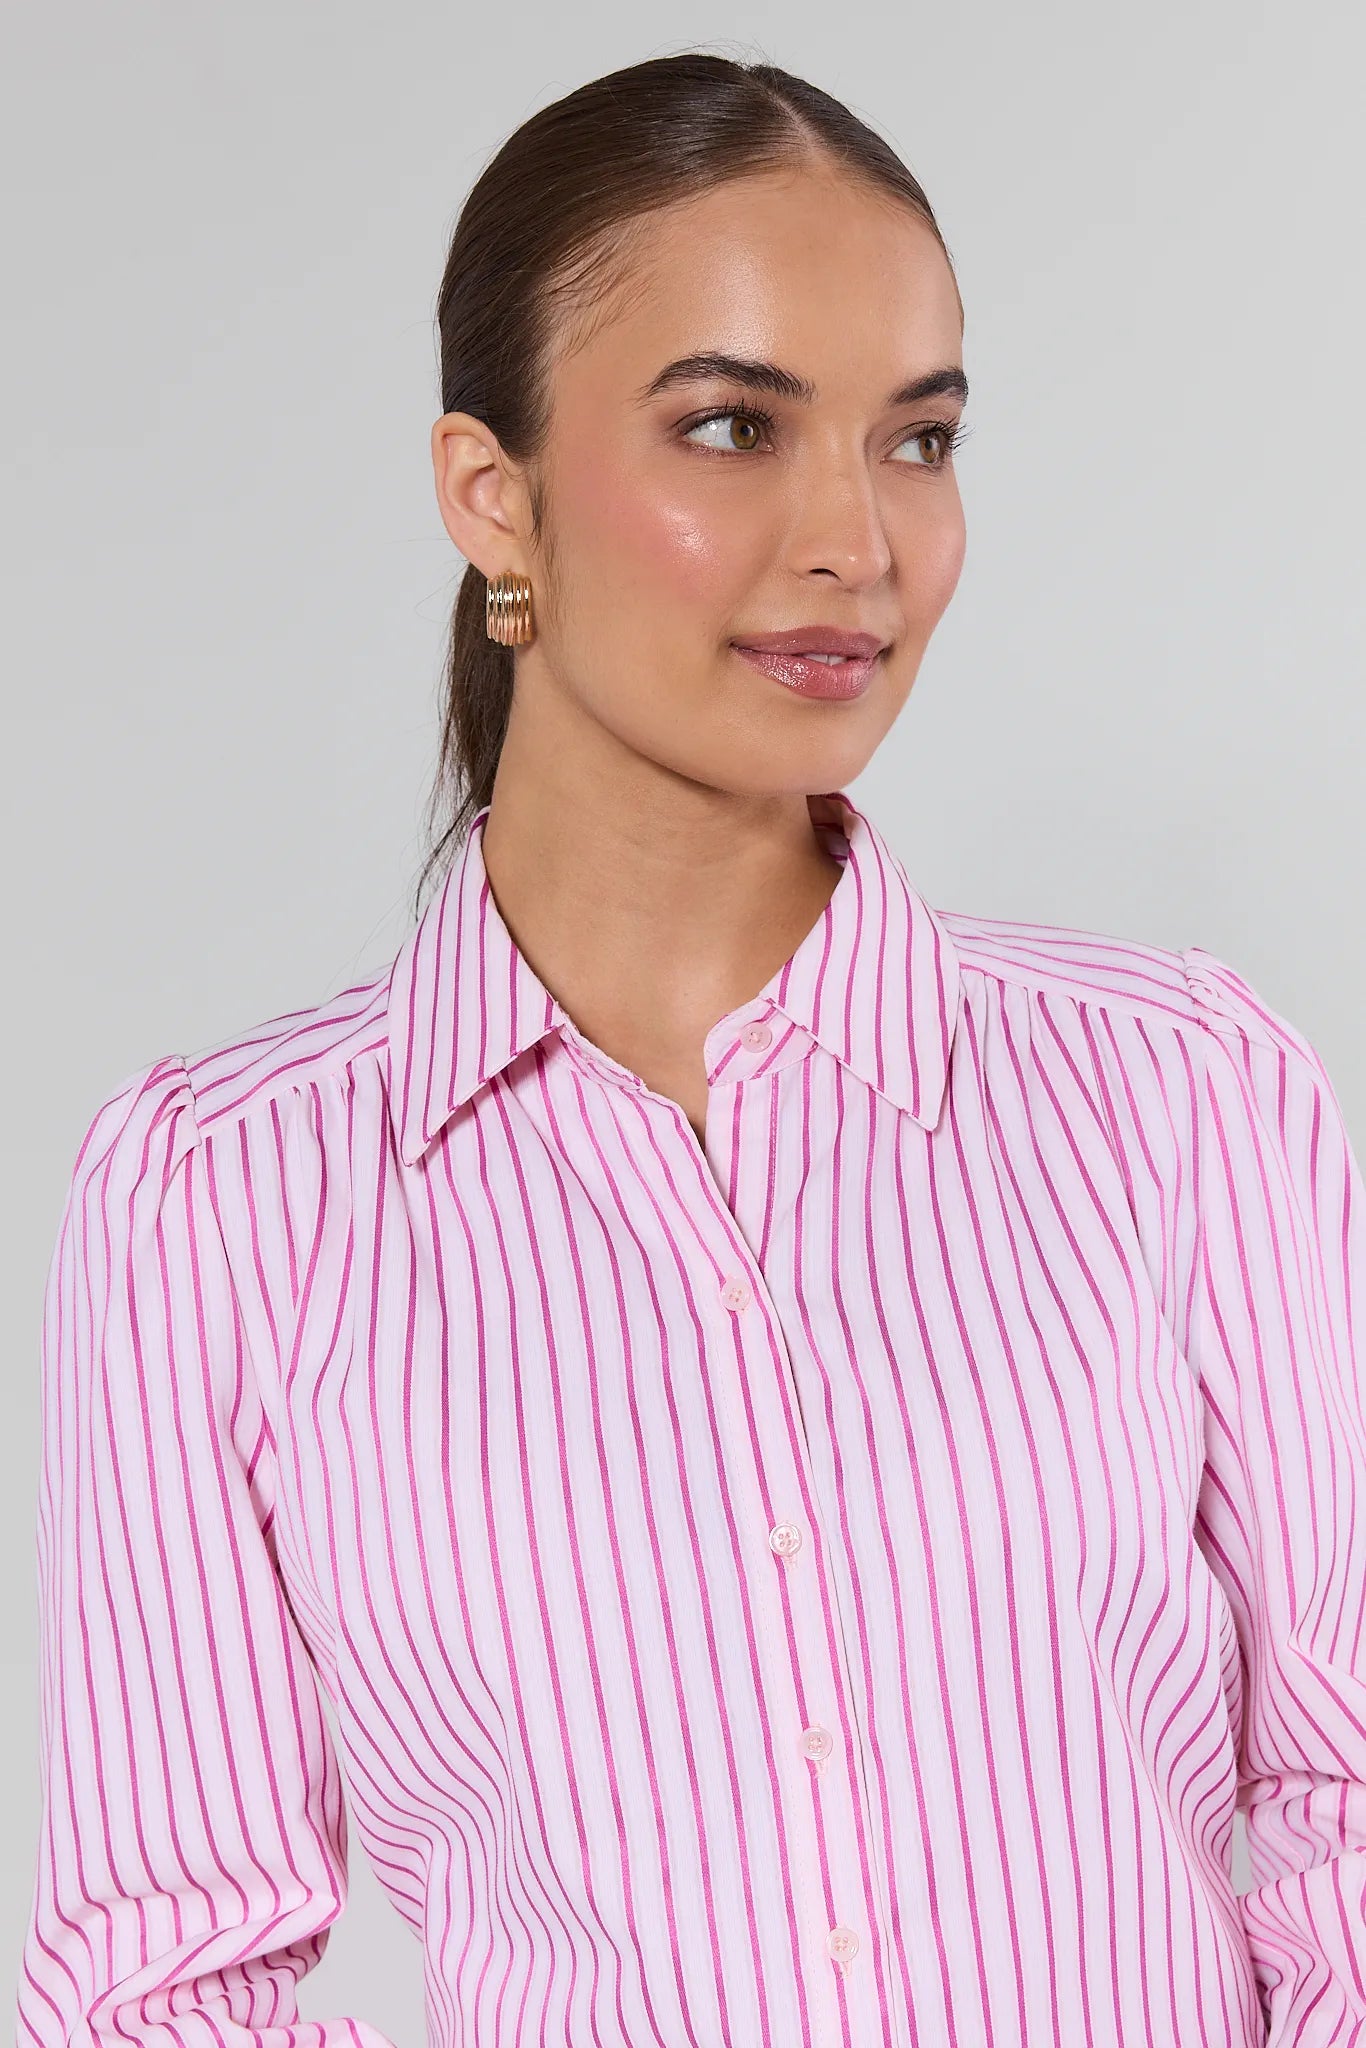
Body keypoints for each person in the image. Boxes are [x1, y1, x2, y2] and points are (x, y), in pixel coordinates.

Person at [16, 49, 1366, 2048]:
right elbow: (154, 1989)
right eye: (731, 426)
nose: (855, 540)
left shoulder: (1185, 1099)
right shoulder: (220, 1202)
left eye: (915, 441)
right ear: (495, 496)